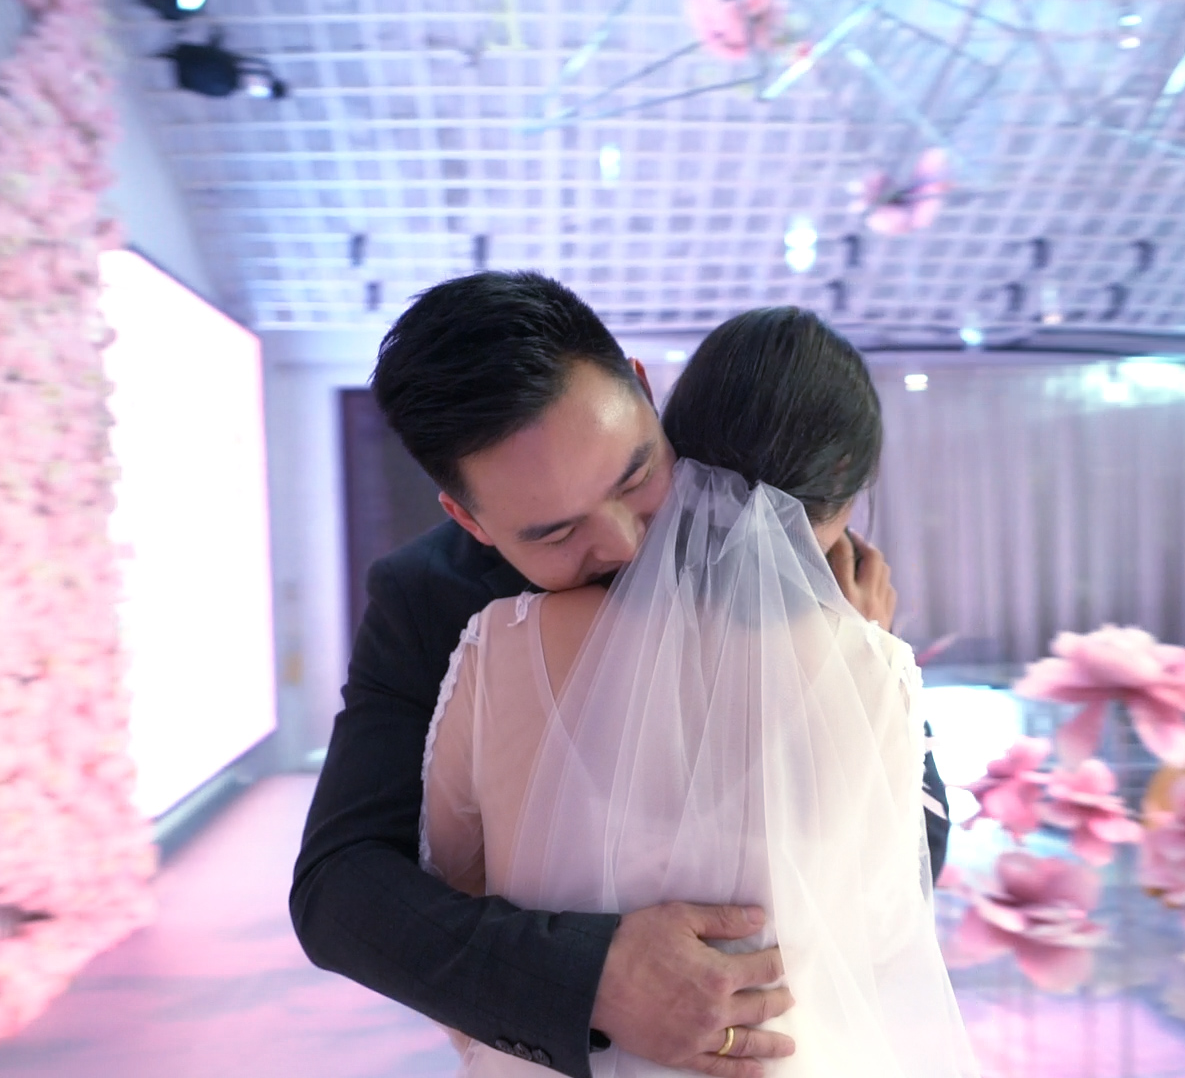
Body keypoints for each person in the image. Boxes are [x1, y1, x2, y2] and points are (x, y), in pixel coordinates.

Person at [290, 273, 950, 1078]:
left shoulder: (791, 546)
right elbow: (340, 892)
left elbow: (913, 857)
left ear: (642, 390)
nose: (627, 545)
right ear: (468, 519)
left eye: (635, 478)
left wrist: (855, 654)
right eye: (555, 532)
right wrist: (590, 979)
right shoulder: (433, 600)